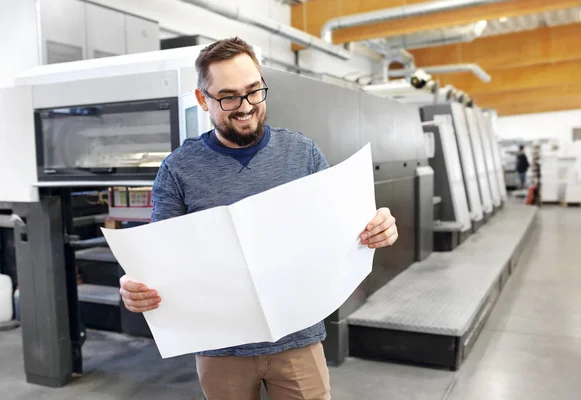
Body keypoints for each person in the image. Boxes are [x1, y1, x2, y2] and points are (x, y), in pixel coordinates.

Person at [119, 37, 398, 400]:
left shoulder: (302, 154)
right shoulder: (178, 170)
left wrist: (377, 229)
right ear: (203, 99)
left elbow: (342, 230)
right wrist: (134, 285)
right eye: (229, 96)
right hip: (221, 348)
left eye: (254, 91)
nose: (245, 106)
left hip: (298, 341)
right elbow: (158, 258)